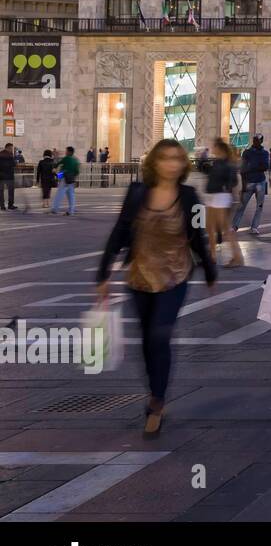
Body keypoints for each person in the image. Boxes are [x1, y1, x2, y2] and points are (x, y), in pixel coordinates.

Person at [97, 139, 217, 436]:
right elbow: (120, 231)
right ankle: (154, 388)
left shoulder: (190, 197)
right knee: (146, 340)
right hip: (139, 276)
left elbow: (198, 236)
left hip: (175, 275)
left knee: (159, 335)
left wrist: (210, 271)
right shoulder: (137, 193)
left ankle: (157, 401)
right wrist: (103, 273)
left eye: (177, 159)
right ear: (154, 162)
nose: (172, 164)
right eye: (165, 158)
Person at [205, 139, 243, 268]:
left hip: (221, 196)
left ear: (219, 149)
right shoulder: (218, 162)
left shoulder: (227, 164)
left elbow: (233, 182)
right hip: (214, 196)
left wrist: (224, 186)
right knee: (210, 227)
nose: (212, 149)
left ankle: (237, 257)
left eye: (214, 147)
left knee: (225, 229)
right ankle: (212, 255)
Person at [231, 134, 270, 234]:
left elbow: (265, 166)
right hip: (249, 182)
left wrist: (251, 167)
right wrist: (243, 185)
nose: (255, 141)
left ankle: (254, 227)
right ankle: (234, 226)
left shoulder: (265, 153)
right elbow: (243, 169)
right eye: (254, 140)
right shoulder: (247, 153)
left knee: (259, 206)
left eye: (257, 140)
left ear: (261, 141)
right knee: (242, 205)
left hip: (260, 181)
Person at [51, 146, 79, 216]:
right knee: (71, 196)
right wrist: (73, 177)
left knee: (59, 194)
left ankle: (55, 209)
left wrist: (55, 171)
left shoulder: (66, 158)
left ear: (69, 152)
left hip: (64, 178)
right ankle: (71, 211)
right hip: (71, 180)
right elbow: (77, 171)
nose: (65, 152)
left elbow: (58, 164)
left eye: (66, 151)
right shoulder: (75, 160)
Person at [0, 143, 15, 210]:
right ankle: (10, 205)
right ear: (8, 148)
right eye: (11, 148)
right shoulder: (10, 155)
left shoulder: (0, 154)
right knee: (11, 191)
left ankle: (2, 206)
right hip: (9, 176)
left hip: (1, 176)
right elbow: (13, 164)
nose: (12, 150)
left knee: (1, 192)